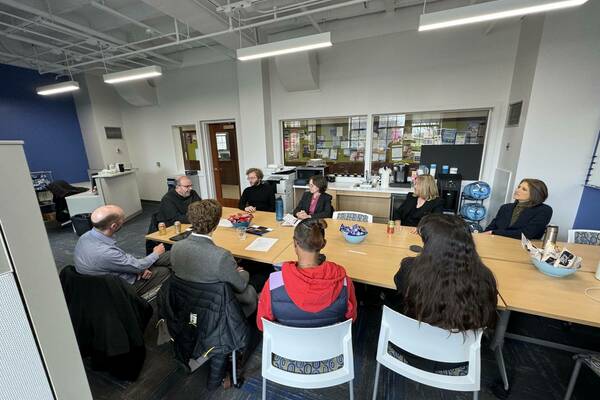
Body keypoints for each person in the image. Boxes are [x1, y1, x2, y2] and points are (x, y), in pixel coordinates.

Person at [392, 213, 498, 374]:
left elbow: (399, 287)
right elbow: (489, 314)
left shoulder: (410, 269)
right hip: (458, 357)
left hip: (410, 350)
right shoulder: (485, 277)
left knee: (388, 299)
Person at [257, 218, 357, 331]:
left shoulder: (273, 284)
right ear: (323, 244)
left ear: (295, 243)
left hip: (286, 345)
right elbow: (351, 319)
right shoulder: (344, 282)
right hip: (330, 345)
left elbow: (262, 325)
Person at [170, 199, 257, 316]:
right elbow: (240, 286)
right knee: (251, 287)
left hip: (186, 299)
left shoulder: (176, 247)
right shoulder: (222, 256)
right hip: (218, 304)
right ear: (216, 225)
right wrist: (242, 272)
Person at [74, 205, 171, 296]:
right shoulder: (105, 252)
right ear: (114, 226)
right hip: (117, 288)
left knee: (165, 258)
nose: (123, 221)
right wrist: (155, 254)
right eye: (122, 219)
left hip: (107, 277)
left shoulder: (85, 237)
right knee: (164, 271)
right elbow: (130, 263)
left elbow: (122, 260)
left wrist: (138, 269)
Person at [484, 178, 552, 239]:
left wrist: (494, 232)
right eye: (519, 187)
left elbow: (527, 234)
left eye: (524, 189)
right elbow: (490, 228)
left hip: (522, 248)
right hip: (496, 243)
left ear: (535, 194)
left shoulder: (544, 210)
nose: (517, 190)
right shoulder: (505, 207)